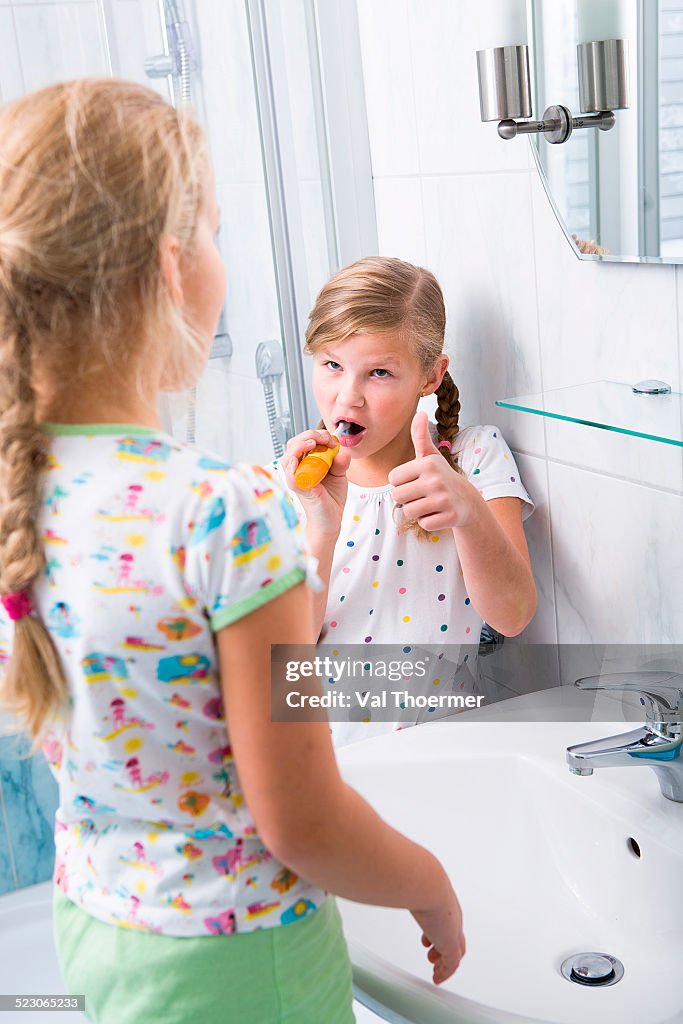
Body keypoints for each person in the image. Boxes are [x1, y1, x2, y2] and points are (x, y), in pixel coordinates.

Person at [0, 80, 465, 1023]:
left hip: (99, 930)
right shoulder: (224, 511)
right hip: (243, 964)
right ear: (173, 268)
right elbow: (302, 822)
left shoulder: (24, 487)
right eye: (214, 231)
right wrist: (428, 882)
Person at [277, 257, 537, 745]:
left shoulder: (473, 456)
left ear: (430, 376)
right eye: (332, 365)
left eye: (378, 372)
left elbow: (514, 614)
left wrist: (468, 512)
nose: (347, 398)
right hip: (325, 763)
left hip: (439, 755)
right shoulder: (291, 485)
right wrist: (321, 529)